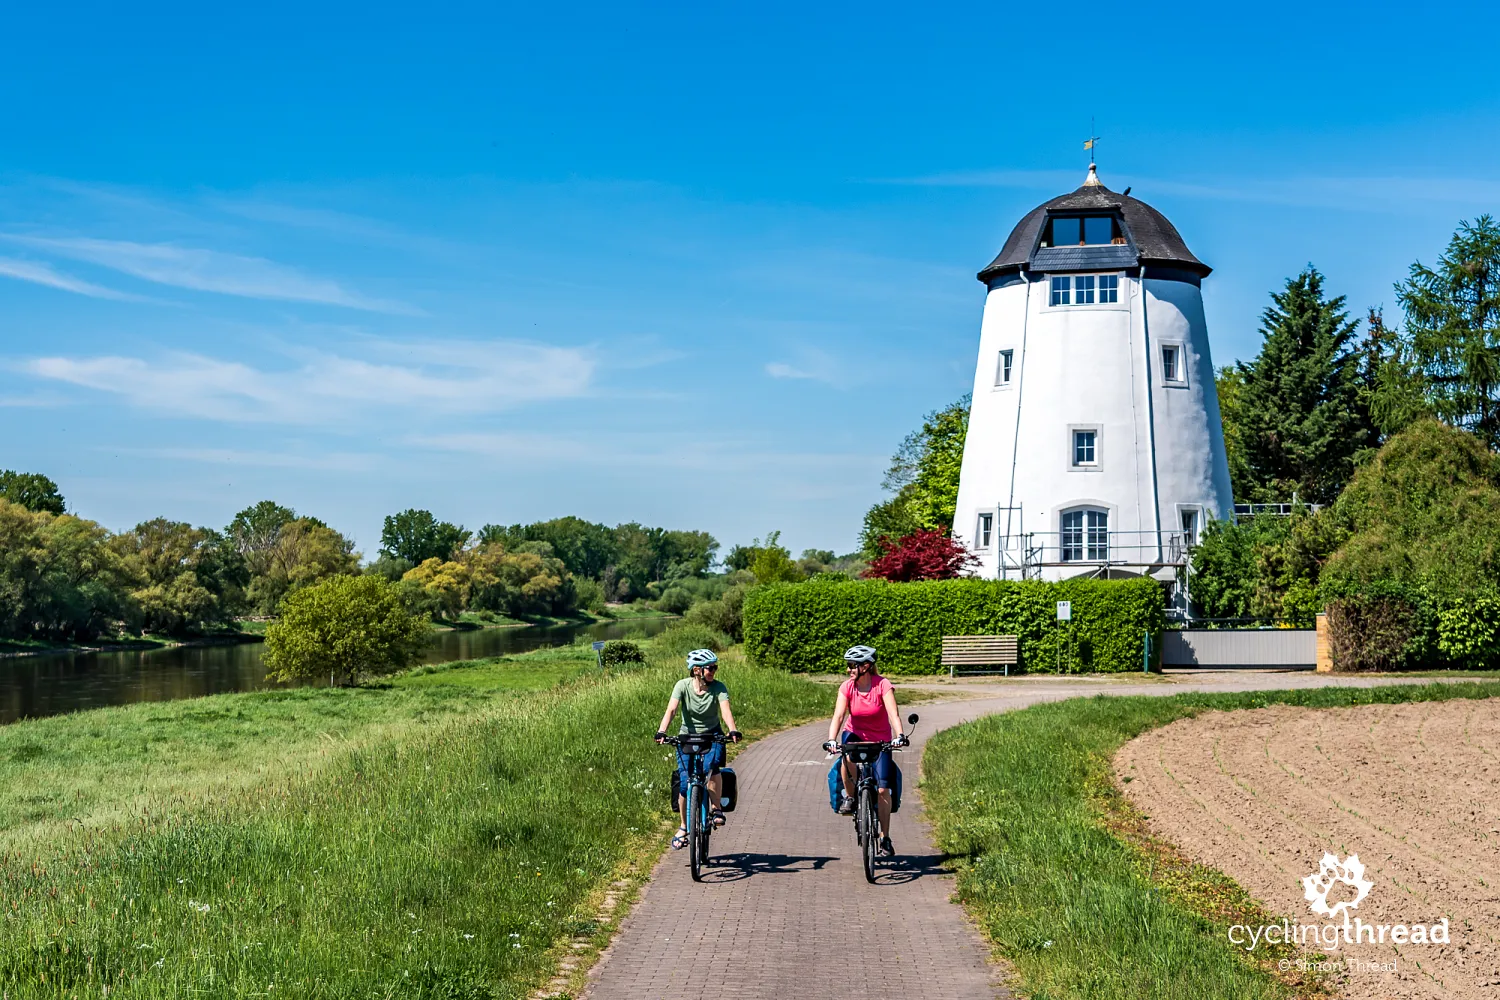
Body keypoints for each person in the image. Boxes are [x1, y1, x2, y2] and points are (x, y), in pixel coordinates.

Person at [823, 644, 907, 857]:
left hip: (880, 740)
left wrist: (899, 736)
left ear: (866, 666)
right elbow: (839, 716)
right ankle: (850, 797)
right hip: (855, 734)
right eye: (848, 665)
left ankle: (885, 838)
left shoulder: (882, 685)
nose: (849, 669)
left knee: (882, 790)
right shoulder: (847, 687)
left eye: (853, 665)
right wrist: (831, 739)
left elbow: (893, 714)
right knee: (846, 757)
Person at [656, 648, 741, 850]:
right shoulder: (682, 686)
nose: (713, 671)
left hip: (713, 735)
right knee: (685, 783)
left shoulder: (719, 688)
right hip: (687, 736)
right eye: (709, 668)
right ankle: (684, 827)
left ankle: (716, 808)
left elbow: (725, 710)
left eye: (714, 667)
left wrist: (733, 730)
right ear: (696, 670)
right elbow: (672, 709)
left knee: (712, 769)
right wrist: (662, 731)